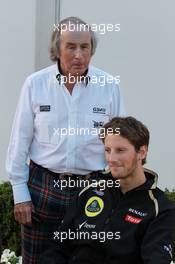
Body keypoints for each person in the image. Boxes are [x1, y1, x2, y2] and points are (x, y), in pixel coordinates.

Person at [6, 16, 125, 263]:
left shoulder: (109, 86)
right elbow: (19, 140)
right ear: (57, 49)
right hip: (42, 191)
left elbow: (121, 144)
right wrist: (20, 193)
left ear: (92, 50)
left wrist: (121, 192)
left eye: (85, 47)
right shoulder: (35, 84)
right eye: (71, 47)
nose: (79, 55)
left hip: (92, 192)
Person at [42, 116, 175, 264]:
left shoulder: (159, 208)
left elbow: (157, 259)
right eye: (107, 150)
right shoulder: (89, 190)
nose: (111, 158)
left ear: (142, 152)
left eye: (120, 150)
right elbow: (57, 247)